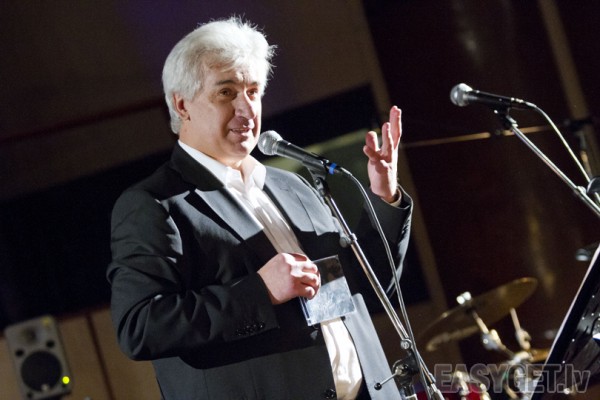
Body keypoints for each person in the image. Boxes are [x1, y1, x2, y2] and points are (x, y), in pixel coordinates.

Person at [107, 16, 412, 400]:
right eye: (226, 92)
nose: (247, 108)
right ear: (182, 104)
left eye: (253, 91)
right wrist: (260, 291)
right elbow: (140, 328)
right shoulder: (156, 205)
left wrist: (384, 197)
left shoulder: (292, 185)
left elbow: (367, 285)